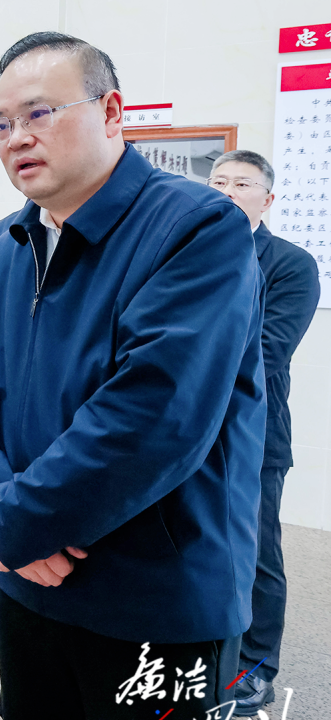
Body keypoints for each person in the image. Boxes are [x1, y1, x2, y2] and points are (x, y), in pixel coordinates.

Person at [0, 32, 265, 719]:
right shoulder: (4, 243)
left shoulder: (197, 227)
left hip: (155, 592)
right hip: (24, 575)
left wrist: (17, 519)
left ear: (112, 111)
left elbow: (155, 414)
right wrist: (0, 511)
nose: (16, 137)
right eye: (1, 124)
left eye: (39, 113)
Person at [206, 150, 320, 716]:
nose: (227, 192)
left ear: (268, 199)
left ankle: (255, 669)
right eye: (218, 182)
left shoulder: (291, 264)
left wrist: (181, 371)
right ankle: (207, 653)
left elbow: (268, 351)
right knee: (199, 545)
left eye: (242, 184)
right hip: (185, 431)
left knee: (255, 553)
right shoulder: (190, 253)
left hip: (253, 434)